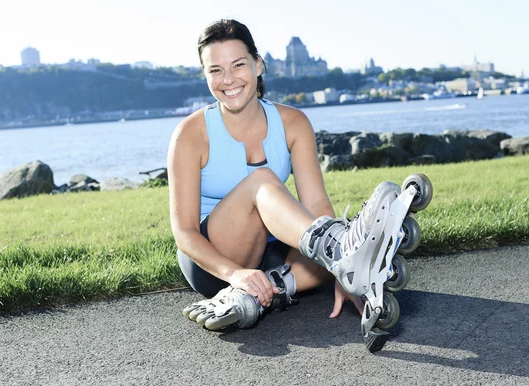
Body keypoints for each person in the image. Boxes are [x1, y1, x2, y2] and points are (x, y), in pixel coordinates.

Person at [167, 19, 400, 330]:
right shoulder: (189, 134)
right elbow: (184, 232)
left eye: (238, 65)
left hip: (271, 255)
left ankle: (252, 297)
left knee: (319, 259)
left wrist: (336, 273)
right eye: (215, 70)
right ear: (205, 75)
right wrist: (235, 274)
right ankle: (344, 253)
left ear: (258, 65)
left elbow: (316, 204)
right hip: (214, 262)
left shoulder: (294, 122)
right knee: (262, 180)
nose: (228, 79)